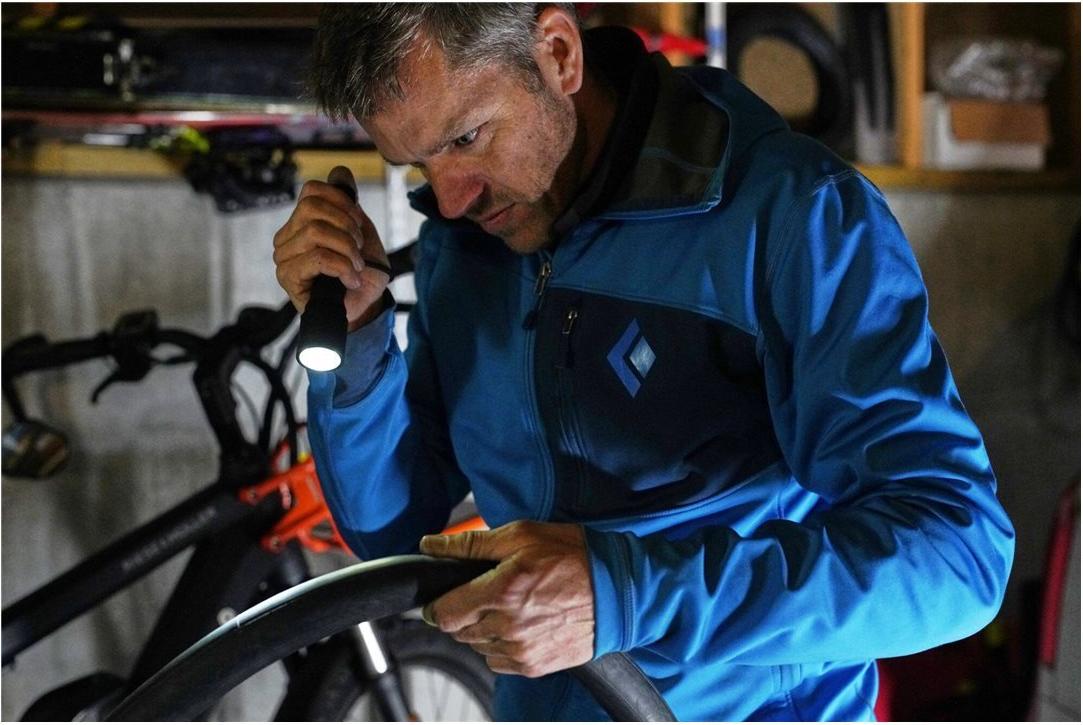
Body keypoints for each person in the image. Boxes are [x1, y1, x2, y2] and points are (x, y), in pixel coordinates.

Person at [272, 4, 1015, 720]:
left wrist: (628, 595)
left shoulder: (789, 215)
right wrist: (361, 336)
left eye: (466, 137)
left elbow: (957, 555)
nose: (450, 199)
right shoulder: (467, 242)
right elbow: (392, 534)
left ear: (557, 53)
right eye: (417, 164)